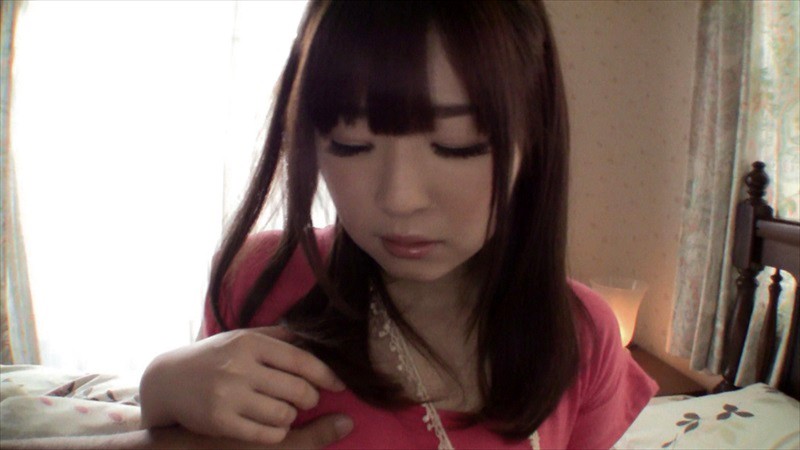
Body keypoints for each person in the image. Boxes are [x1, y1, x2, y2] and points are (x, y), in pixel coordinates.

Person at [5, 1, 657, 449]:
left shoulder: (583, 335)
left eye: (455, 145)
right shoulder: (261, 278)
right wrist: (163, 390)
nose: (398, 198)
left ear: (534, 141)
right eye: (349, 143)